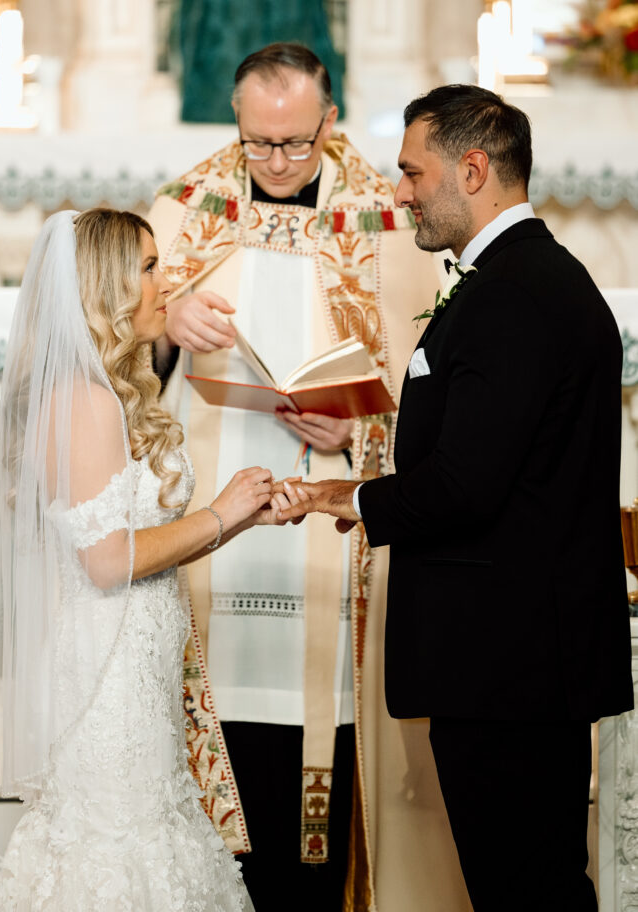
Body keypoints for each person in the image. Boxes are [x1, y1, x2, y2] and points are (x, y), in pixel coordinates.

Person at [276, 83, 635, 911]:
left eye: (410, 173)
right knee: (531, 877)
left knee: (523, 884)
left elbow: (468, 484)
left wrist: (352, 499)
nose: (398, 193)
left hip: (505, 657)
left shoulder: (509, 293)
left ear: (471, 170)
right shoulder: (524, 278)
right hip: (521, 652)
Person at [147, 44, 469, 910]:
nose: (279, 163)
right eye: (259, 144)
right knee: (218, 699)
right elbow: (116, 346)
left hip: (330, 525)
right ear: (237, 124)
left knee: (321, 716)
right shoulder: (186, 211)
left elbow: (432, 384)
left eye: (296, 142)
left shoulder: (385, 218)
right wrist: (165, 318)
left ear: (329, 121)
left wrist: (361, 424)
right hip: (212, 522)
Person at [0, 207, 288, 911]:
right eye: (148, 267)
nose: (164, 282)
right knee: (115, 857)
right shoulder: (82, 401)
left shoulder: (105, 394)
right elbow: (108, 562)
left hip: (135, 673)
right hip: (106, 682)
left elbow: (131, 544)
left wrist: (236, 522)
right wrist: (219, 512)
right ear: (106, 286)